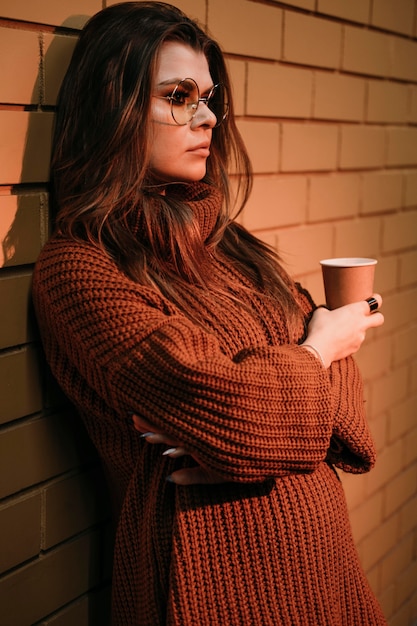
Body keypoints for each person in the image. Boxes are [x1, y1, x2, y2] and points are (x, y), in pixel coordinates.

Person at [32, 2, 387, 625]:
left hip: (323, 565)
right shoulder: (79, 270)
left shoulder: (233, 246)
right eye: (179, 95)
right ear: (112, 111)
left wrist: (248, 427)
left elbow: (347, 425)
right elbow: (244, 401)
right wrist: (316, 350)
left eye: (210, 96)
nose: (210, 117)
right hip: (210, 585)